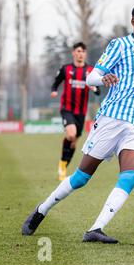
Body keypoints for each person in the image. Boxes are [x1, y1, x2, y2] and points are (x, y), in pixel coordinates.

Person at [22, 2, 134, 244]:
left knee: (131, 177)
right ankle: (42, 210)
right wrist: (104, 77)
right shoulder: (119, 45)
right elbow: (92, 76)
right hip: (111, 119)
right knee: (81, 178)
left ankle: (96, 229)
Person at [51, 42, 101, 181]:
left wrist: (95, 89)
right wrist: (54, 90)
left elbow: (98, 91)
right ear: (73, 53)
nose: (80, 54)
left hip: (81, 112)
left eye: (83, 51)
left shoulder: (91, 71)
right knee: (71, 134)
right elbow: (56, 82)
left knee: (73, 143)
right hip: (67, 109)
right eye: (78, 51)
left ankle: (64, 165)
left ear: (85, 54)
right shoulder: (65, 69)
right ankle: (62, 165)